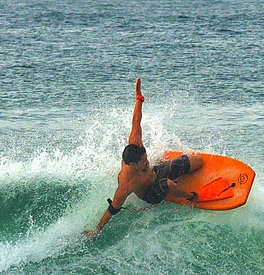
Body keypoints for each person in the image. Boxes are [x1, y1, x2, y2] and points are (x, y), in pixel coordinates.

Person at [85, 78, 203, 237]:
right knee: (167, 184)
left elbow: (136, 121)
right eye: (143, 162)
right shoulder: (126, 185)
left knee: (197, 161)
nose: (147, 161)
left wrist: (139, 98)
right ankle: (191, 196)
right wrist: (96, 230)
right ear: (133, 165)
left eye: (146, 158)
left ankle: (173, 184)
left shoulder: (136, 145)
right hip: (150, 194)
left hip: (156, 174)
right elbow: (112, 209)